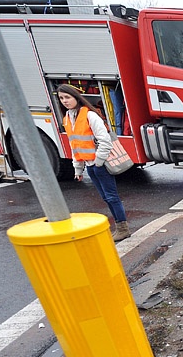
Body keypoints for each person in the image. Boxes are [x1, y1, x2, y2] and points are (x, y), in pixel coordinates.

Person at [56, 83, 130, 242]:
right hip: (91, 166)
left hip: (99, 165)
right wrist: (78, 169)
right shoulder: (68, 118)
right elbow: (74, 145)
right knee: (106, 197)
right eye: (61, 98)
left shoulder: (90, 115)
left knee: (111, 197)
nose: (64, 101)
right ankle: (119, 227)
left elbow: (105, 141)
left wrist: (98, 162)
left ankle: (122, 228)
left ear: (76, 97)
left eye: (67, 97)